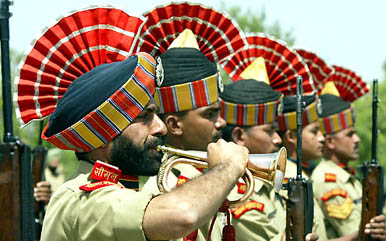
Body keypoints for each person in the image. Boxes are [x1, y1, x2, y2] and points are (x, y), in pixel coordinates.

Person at [15, 7, 250, 241]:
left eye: (156, 115)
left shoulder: (131, 189)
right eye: (144, 117)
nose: (161, 128)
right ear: (104, 133)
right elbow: (184, 214)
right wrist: (226, 168)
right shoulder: (80, 198)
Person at [219, 33, 319, 241]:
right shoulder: (236, 192)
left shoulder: (264, 180)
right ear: (239, 136)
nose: (278, 139)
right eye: (269, 130)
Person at [311, 67, 386, 240]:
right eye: (349, 134)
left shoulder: (346, 175)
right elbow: (361, 233)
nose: (357, 139)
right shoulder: (327, 178)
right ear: (329, 142)